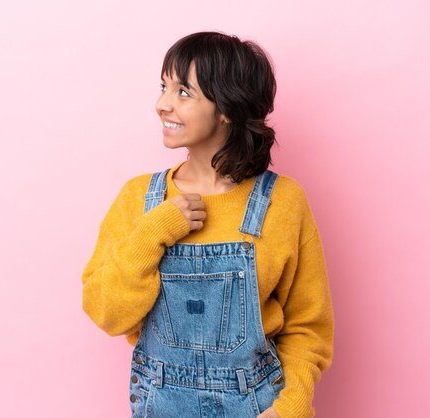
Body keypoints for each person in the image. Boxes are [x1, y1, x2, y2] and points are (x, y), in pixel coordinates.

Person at [82, 31, 334, 418]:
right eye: (163, 87)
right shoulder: (138, 199)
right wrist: (154, 232)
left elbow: (307, 326)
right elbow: (106, 313)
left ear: (227, 108)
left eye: (183, 92)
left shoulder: (283, 202)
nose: (162, 105)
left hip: (257, 406)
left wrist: (292, 408)